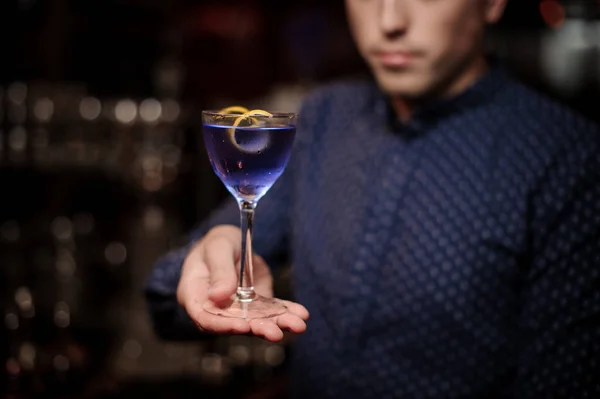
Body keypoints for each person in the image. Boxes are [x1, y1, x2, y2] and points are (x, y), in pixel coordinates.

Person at [145, 0, 600, 397]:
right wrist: (209, 255)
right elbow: (168, 299)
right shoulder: (324, 117)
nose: (389, 20)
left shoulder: (567, 158)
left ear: (493, 3)